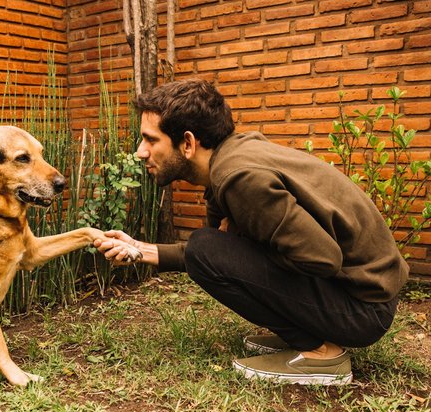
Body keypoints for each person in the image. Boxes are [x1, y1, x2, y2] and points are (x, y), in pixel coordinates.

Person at [94, 79, 409, 386]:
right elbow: (216, 252)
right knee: (207, 246)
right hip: (359, 295)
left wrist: (241, 238)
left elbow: (322, 259)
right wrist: (142, 249)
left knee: (206, 246)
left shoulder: (240, 178)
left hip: (362, 309)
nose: (140, 152)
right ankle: (310, 333)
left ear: (188, 143)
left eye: (150, 139)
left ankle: (321, 353)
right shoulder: (229, 160)